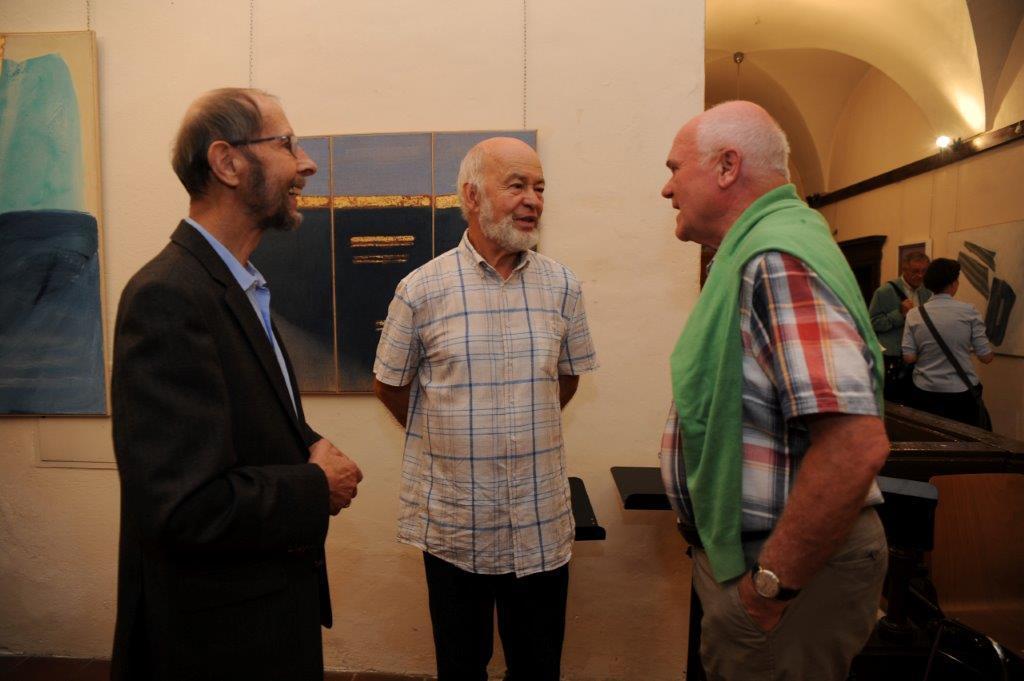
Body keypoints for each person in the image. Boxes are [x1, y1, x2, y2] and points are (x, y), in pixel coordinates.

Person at [110, 88, 363, 681]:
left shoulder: (236, 285)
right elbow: (182, 508)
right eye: (288, 144)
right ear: (227, 162)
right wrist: (314, 484)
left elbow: (240, 421)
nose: (307, 164)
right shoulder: (168, 296)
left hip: (261, 620)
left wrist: (307, 442)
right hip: (216, 644)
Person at [658, 101, 890, 681]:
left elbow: (854, 446)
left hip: (785, 574)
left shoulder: (776, 259)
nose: (667, 189)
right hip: (768, 562)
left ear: (727, 166)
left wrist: (768, 589)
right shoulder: (758, 251)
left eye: (675, 169)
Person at [372, 137, 598, 681]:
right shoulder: (420, 290)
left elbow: (566, 378)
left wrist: (519, 422)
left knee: (538, 668)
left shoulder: (563, 286)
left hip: (539, 521)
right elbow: (390, 386)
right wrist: (449, 437)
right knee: (460, 668)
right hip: (456, 525)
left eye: (539, 188)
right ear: (472, 196)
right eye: (517, 185)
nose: (533, 200)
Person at [902, 257, 994, 427]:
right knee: (963, 440)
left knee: (928, 439)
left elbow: (909, 357)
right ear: (953, 284)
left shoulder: (914, 314)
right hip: (961, 392)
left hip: (924, 391)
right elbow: (986, 357)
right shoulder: (969, 312)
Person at [868, 251, 931, 402]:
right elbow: (871, 323)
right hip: (893, 359)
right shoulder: (884, 292)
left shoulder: (927, 292)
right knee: (892, 404)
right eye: (915, 271)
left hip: (918, 359)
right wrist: (900, 314)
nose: (920, 276)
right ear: (904, 269)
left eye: (924, 271)